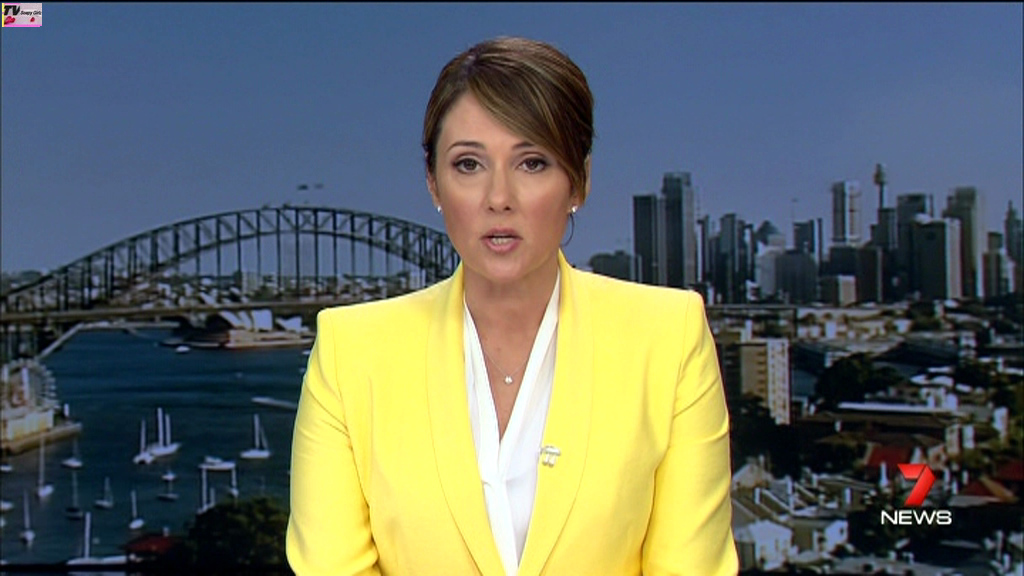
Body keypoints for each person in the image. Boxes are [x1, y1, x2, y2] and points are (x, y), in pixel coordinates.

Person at [286, 36, 737, 575]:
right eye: (469, 164)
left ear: (579, 182)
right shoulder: (351, 352)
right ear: (433, 183)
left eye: (532, 163)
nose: (498, 198)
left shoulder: (669, 337)